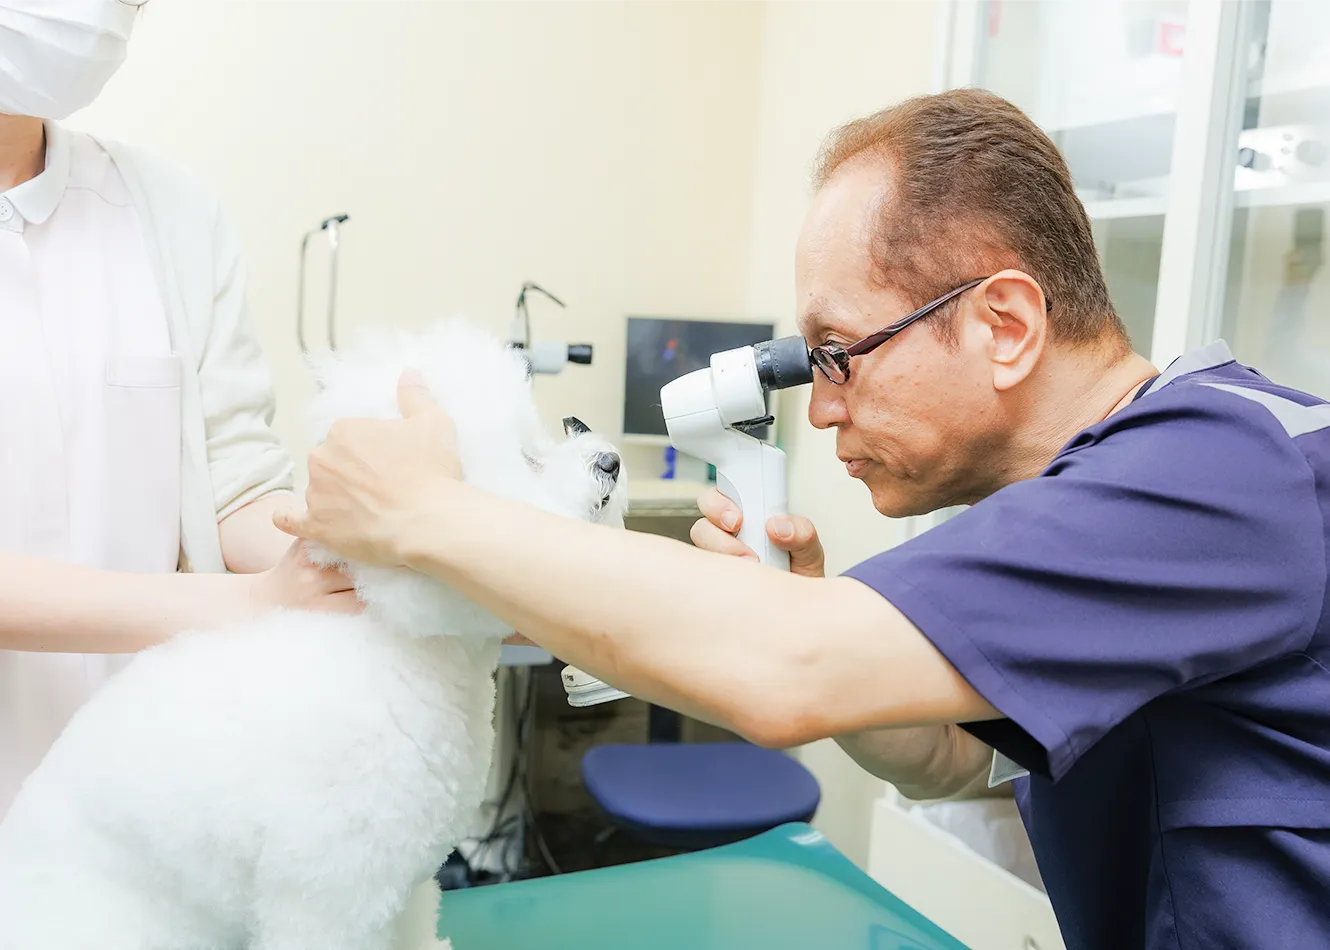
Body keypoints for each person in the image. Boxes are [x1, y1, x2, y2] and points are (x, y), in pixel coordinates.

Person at [277, 89, 1330, 950]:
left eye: (838, 352)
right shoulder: (1122, 493)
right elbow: (958, 758)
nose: (821, 405)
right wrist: (826, 642)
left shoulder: (1216, 471)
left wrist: (420, 511)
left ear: (1002, 325)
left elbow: (784, 674)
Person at [0, 0, 353, 816]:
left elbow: (234, 487)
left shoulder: (172, 213)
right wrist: (250, 605)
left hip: (134, 798)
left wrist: (369, 551)